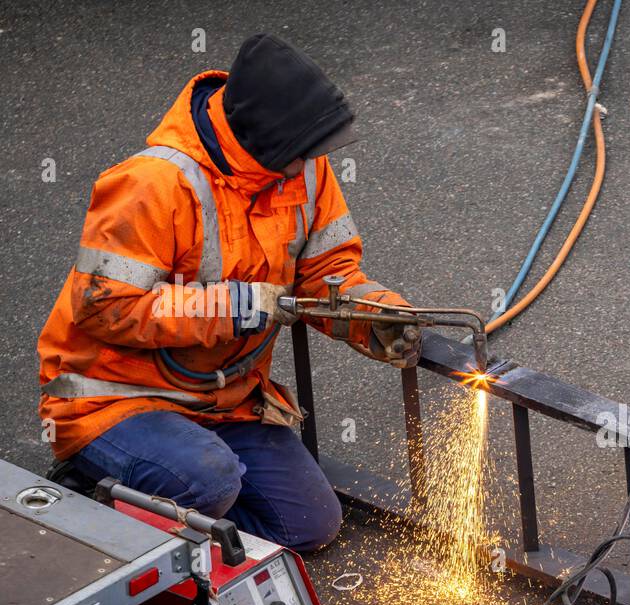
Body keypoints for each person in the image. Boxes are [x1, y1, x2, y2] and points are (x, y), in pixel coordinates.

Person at [37, 34, 419, 550]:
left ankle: (183, 505)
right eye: (304, 153)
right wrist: (237, 306)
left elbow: (324, 271)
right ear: (265, 140)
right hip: (116, 399)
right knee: (208, 481)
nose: (314, 163)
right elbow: (104, 307)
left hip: (224, 398)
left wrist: (373, 317)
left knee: (308, 525)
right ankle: (100, 495)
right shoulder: (153, 184)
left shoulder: (299, 166)